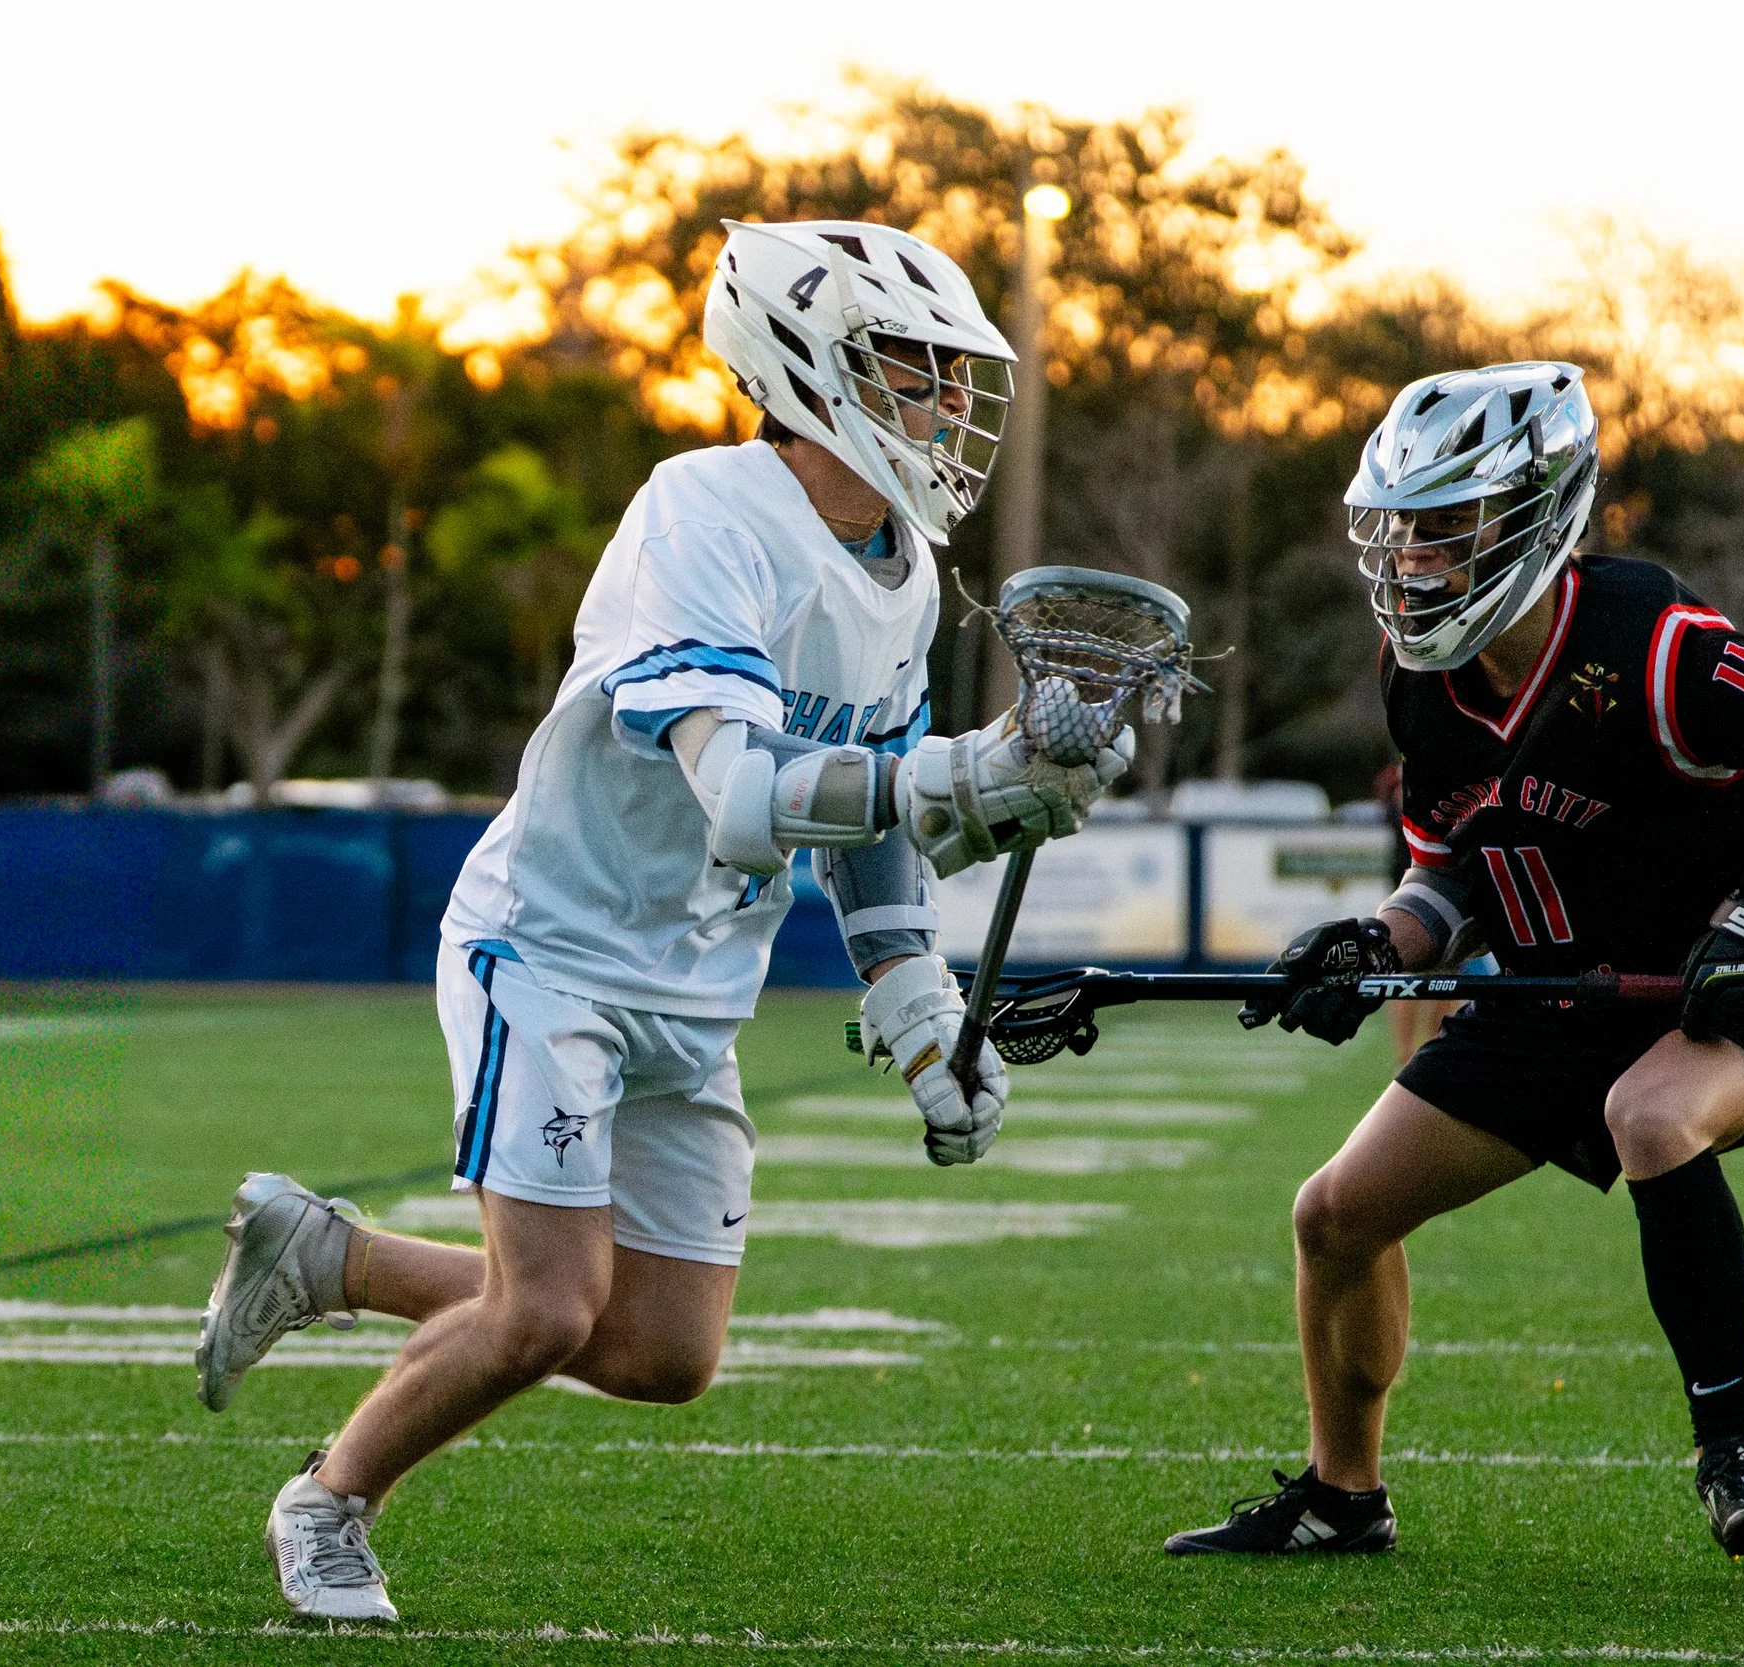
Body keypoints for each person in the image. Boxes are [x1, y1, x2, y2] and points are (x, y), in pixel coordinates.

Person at [187, 220, 1131, 1621]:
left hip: (695, 978)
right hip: (555, 945)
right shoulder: (701, 514)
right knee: (549, 1306)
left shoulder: (908, 574)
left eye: (947, 376)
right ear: (810, 369)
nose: (945, 404)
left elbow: (870, 827)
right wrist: (967, 771)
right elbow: (747, 793)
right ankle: (330, 1498)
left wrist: (922, 1007)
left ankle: (331, 1257)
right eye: (914, 371)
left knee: (663, 1347)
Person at [1165, 361, 1744, 1561]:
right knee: (1334, 1213)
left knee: (1649, 1113)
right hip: (1554, 992)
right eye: (1402, 532)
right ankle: (1344, 1496)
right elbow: (1446, 874)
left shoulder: (1658, 647)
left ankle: (1732, 1456)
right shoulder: (1421, 680)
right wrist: (1368, 949)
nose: (1416, 561)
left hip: (1727, 995)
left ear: (1540, 510)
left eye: (1447, 528)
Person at [1375, 760, 1457, 1067]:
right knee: (1406, 976)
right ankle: (1405, 1053)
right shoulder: (1405, 789)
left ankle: (1436, 1048)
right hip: (1408, 892)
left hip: (1445, 893)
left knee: (1447, 979)